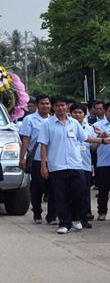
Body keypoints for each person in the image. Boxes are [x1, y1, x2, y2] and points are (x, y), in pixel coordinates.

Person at [37, 96, 87, 234]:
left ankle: (76, 218)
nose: (61, 108)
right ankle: (64, 223)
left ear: (67, 106)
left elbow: (85, 138)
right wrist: (43, 166)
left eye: (63, 105)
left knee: (79, 193)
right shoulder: (47, 124)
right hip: (57, 165)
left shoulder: (74, 123)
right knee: (60, 196)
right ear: (53, 107)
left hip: (76, 164)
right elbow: (43, 146)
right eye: (58, 105)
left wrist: (103, 140)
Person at [18, 94, 57, 224]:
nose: (45, 106)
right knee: (38, 188)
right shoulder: (29, 120)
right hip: (36, 159)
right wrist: (22, 157)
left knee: (53, 189)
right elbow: (25, 140)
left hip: (53, 160)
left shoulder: (54, 120)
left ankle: (51, 216)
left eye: (47, 103)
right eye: (42, 104)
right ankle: (37, 212)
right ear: (37, 105)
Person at [70, 103, 100, 229]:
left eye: (80, 112)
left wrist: (100, 140)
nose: (78, 115)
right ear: (71, 113)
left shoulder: (89, 128)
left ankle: (83, 217)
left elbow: (92, 147)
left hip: (86, 164)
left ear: (85, 114)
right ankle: (71, 217)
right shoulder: (68, 126)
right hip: (71, 165)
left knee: (84, 193)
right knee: (72, 193)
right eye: (75, 112)